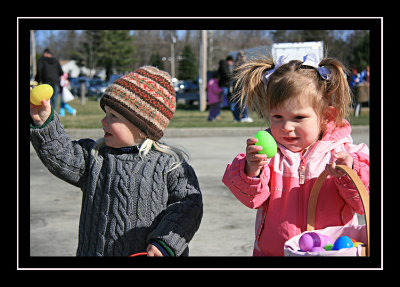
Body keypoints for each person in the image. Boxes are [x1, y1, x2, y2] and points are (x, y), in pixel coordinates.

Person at [30, 66, 203, 256]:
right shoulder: (96, 156)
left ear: (143, 127)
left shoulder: (170, 165)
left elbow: (189, 207)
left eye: (114, 116)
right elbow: (62, 155)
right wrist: (44, 122)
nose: (104, 121)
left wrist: (166, 243)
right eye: (106, 113)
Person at [222, 54, 369, 256]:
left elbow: (363, 204)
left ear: (327, 116)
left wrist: (349, 172)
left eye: (299, 117)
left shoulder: (343, 153)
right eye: (277, 117)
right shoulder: (269, 156)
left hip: (330, 252)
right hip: (275, 252)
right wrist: (251, 170)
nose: (286, 127)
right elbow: (252, 200)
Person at [232, 51, 253, 123]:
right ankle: (244, 117)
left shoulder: (236, 65)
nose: (245, 57)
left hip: (238, 86)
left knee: (239, 103)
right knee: (244, 102)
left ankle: (237, 118)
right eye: (243, 56)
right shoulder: (241, 65)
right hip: (241, 86)